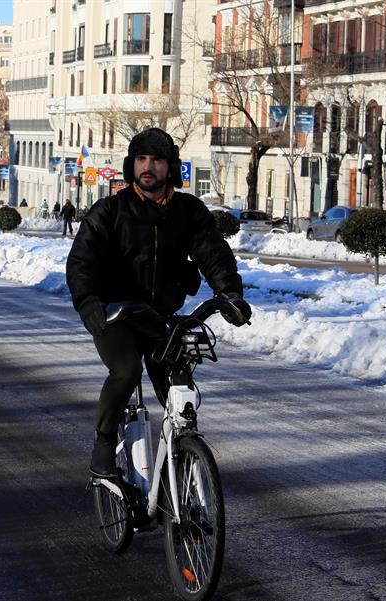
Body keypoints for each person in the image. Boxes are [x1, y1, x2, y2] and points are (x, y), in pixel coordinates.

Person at [66, 128, 251, 477]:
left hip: (161, 318)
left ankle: (181, 467)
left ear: (171, 168)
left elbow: (214, 255)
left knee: (180, 390)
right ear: (131, 165)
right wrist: (89, 302)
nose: (148, 167)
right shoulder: (110, 210)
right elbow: (82, 261)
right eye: (141, 159)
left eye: (157, 160)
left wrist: (229, 294)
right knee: (127, 371)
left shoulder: (189, 212)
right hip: (115, 316)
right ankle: (104, 442)